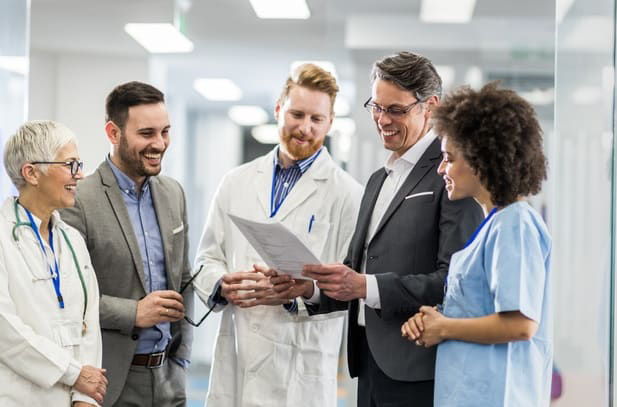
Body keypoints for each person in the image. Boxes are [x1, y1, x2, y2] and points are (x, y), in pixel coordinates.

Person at [283, 52, 483, 406]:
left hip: (420, 369)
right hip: (370, 365)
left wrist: (365, 285)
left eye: (396, 110)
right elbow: (354, 272)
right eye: (376, 107)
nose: (382, 119)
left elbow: (455, 281)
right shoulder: (378, 180)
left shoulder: (451, 175)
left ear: (430, 107)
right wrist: (312, 289)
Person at [192, 63, 363, 406]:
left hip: (301, 363)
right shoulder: (236, 182)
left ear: (330, 122)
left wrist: (306, 290)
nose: (305, 128)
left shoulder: (348, 195)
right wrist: (222, 284)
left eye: (317, 119)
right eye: (296, 114)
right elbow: (206, 258)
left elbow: (351, 288)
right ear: (278, 110)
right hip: (239, 350)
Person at [401, 83, 553, 406]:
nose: (441, 169)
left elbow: (521, 324)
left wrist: (445, 328)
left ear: (481, 160)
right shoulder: (492, 225)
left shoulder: (515, 223)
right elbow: (479, 307)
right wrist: (436, 318)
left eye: (449, 159)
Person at [60, 81, 193, 406]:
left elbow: (184, 280)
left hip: (168, 380)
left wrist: (182, 359)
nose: (160, 144)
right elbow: (65, 297)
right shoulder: (79, 199)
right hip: (109, 382)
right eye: (147, 134)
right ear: (113, 132)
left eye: (165, 132)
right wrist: (134, 312)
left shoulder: (173, 193)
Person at [0, 120, 107, 406]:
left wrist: (86, 396)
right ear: (32, 173)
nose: (80, 174)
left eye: (79, 164)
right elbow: (5, 329)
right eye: (70, 164)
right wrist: (74, 373)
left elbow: (90, 321)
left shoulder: (72, 240)